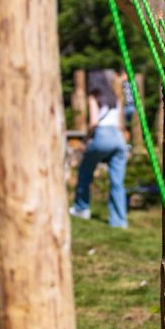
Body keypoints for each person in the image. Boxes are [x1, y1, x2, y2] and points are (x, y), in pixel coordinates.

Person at [70, 68, 128, 228]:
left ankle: (82, 208)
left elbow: (94, 122)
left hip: (103, 135)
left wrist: (86, 139)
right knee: (117, 182)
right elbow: (119, 122)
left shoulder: (94, 95)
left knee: (84, 172)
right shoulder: (116, 96)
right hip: (118, 138)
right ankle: (119, 221)